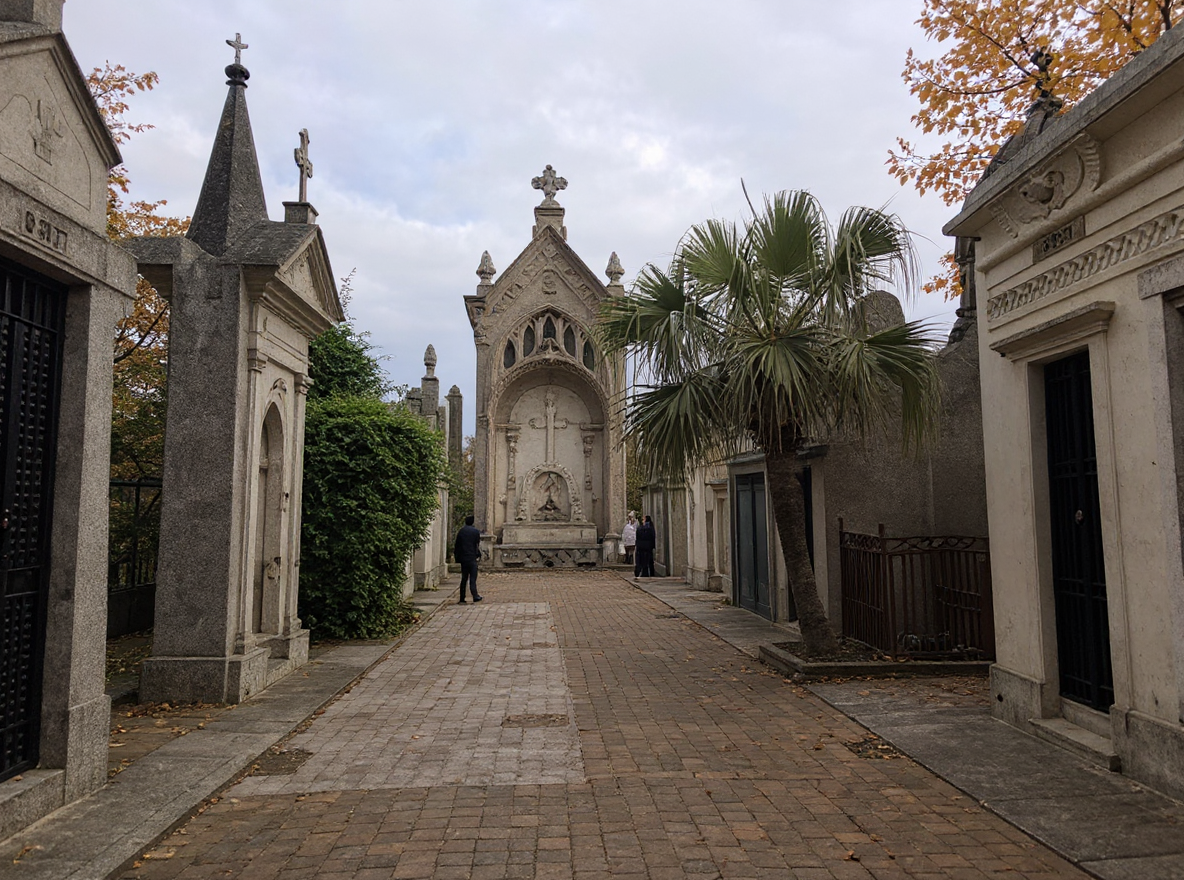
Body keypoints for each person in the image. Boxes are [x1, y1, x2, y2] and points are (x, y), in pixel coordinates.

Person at [454, 515, 483, 604]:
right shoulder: (475, 532)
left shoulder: (461, 531)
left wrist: (457, 557)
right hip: (471, 557)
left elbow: (457, 545)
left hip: (464, 557)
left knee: (464, 578)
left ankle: (462, 598)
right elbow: (477, 543)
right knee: (473, 578)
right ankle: (475, 596)